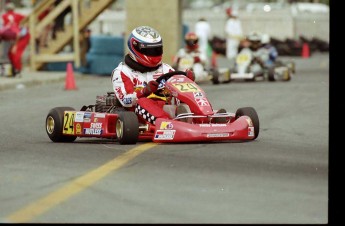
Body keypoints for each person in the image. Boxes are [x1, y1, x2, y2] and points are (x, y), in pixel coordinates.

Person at [111, 26, 195, 125]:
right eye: (150, 51)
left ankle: (204, 118)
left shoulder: (165, 69)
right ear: (135, 47)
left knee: (190, 95)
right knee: (143, 101)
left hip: (168, 109)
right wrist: (144, 91)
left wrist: (187, 80)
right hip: (137, 116)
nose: (154, 54)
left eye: (157, 50)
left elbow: (180, 89)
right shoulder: (122, 72)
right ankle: (167, 124)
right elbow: (126, 101)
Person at [1, 2, 30, 76]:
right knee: (10, 54)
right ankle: (14, 70)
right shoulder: (13, 19)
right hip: (17, 36)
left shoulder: (7, 26)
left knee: (15, 54)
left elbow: (18, 34)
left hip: (20, 37)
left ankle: (17, 70)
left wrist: (15, 45)